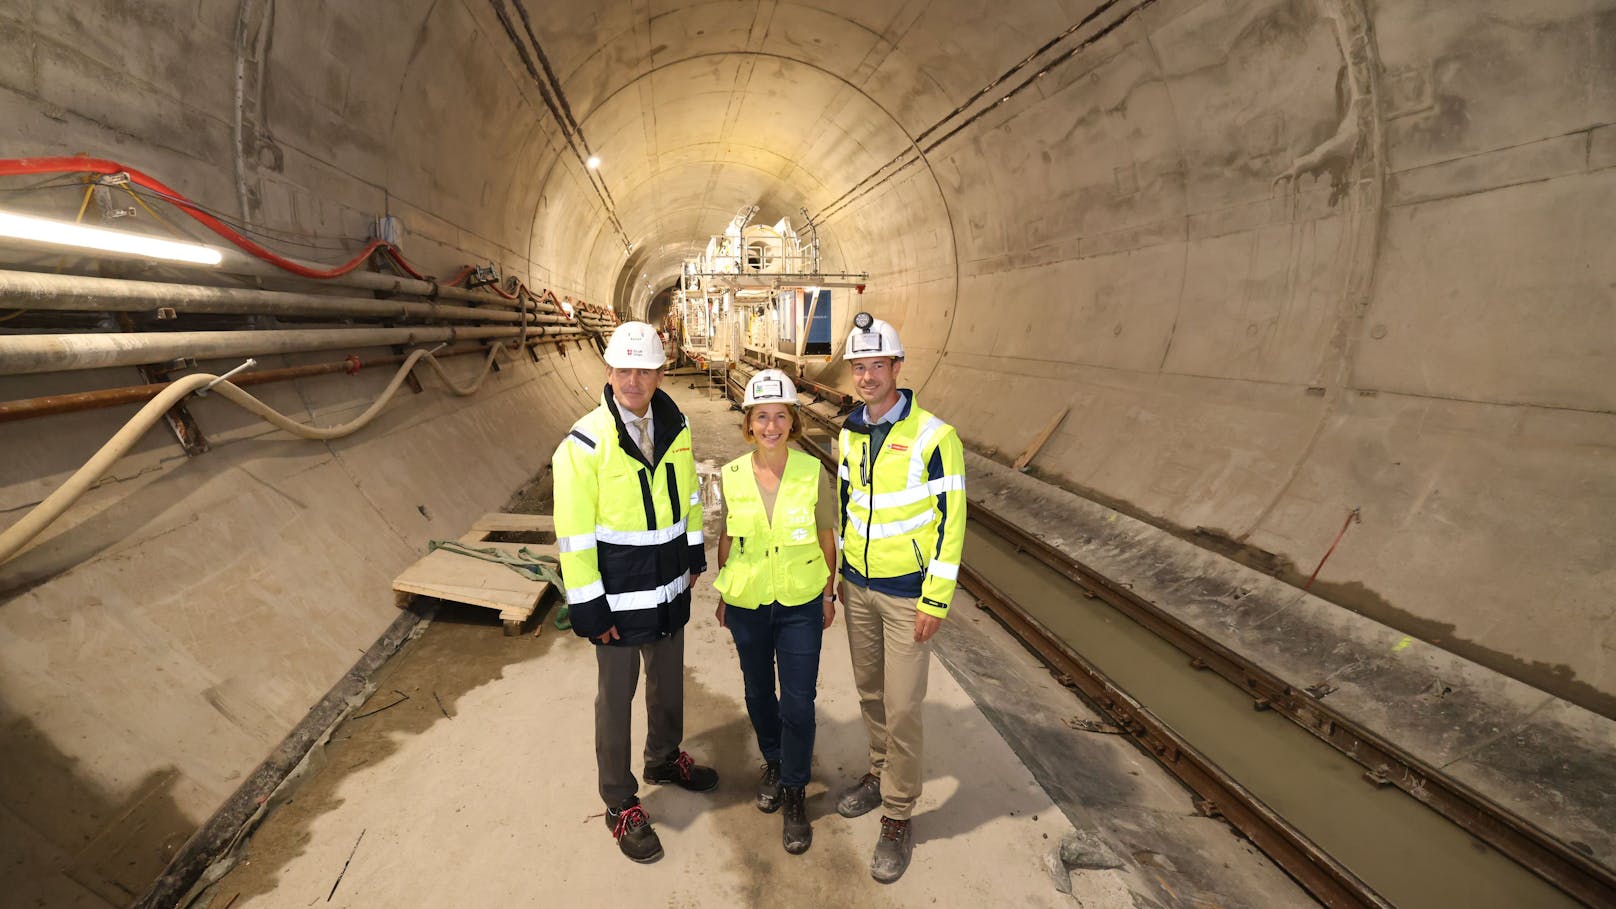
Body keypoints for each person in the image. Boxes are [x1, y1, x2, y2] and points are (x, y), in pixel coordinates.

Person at [552, 321, 718, 864]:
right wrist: (589, 606)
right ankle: (619, 800)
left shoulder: (676, 425)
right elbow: (574, 538)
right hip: (618, 599)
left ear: (659, 373)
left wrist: (694, 553)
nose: (633, 380)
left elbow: (689, 495)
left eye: (643, 369)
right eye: (624, 370)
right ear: (609, 373)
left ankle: (664, 758)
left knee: (668, 684)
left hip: (668, 586)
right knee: (615, 699)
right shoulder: (583, 444)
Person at [833, 312, 967, 883]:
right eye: (858, 368)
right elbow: (845, 508)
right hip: (857, 587)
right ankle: (878, 771)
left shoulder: (936, 437)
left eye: (875, 366)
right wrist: (838, 573)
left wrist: (935, 599)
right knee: (870, 692)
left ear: (897, 367)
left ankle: (897, 812)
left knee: (905, 705)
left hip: (907, 595)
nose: (866, 377)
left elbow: (951, 522)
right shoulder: (850, 430)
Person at [712, 369, 838, 855]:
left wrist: (828, 594)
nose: (770, 426)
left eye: (779, 416)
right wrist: (725, 594)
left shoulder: (811, 473)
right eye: (761, 416)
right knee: (759, 691)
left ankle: (795, 788)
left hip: (801, 602)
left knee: (799, 701)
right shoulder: (733, 475)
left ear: (793, 420)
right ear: (749, 423)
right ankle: (773, 760)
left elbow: (827, 537)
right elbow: (727, 538)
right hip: (747, 602)